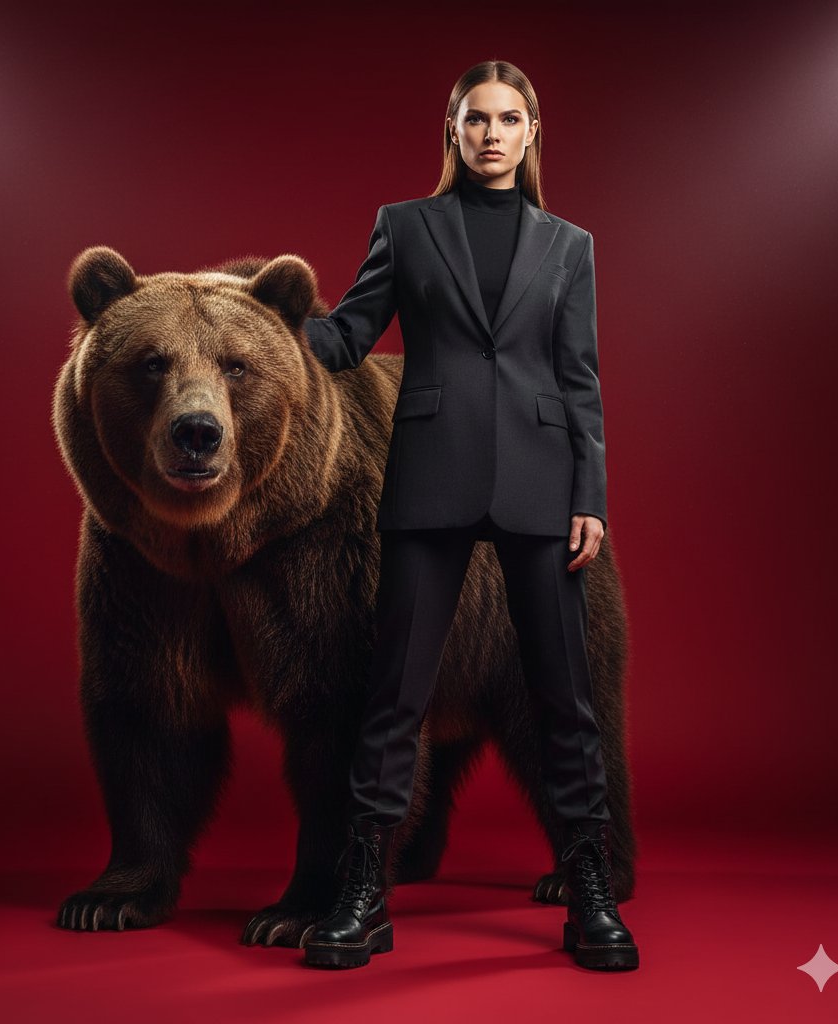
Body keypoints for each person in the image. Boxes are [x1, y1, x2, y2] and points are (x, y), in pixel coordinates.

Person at [299, 59, 639, 971]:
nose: (493, 134)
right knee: (394, 695)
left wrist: (590, 497)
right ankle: (363, 891)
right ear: (452, 130)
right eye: (477, 119)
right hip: (431, 477)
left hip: (541, 482)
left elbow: (579, 381)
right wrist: (266, 323)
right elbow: (349, 334)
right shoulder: (405, 227)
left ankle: (591, 889)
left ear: (532, 132)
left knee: (564, 698)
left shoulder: (570, 245)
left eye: (509, 119)